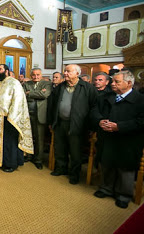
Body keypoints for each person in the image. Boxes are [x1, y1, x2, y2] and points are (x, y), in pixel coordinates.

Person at [91, 70, 144, 209]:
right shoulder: (106, 96)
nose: (113, 84)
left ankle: (123, 195)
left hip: (128, 140)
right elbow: (94, 111)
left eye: (117, 82)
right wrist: (100, 121)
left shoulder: (140, 99)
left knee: (125, 168)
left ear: (129, 83)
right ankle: (105, 188)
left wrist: (119, 126)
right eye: (113, 81)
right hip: (107, 137)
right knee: (107, 163)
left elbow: (141, 121)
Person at [48, 64, 97, 184]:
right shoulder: (60, 87)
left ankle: (74, 174)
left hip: (77, 125)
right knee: (60, 147)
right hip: (60, 123)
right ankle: (61, 168)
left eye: (68, 71)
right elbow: (52, 105)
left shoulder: (87, 88)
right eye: (65, 71)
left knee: (75, 151)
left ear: (77, 73)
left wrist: (91, 127)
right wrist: (51, 121)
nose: (65, 73)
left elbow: (93, 107)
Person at [0, 64, 33, 172]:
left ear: (6, 71)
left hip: (8, 117)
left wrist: (12, 116)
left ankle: (10, 164)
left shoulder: (14, 82)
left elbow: (18, 100)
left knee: (8, 142)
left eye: (0, 69)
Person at [23, 68, 52, 169]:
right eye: (34, 75)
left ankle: (38, 159)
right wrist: (38, 93)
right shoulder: (26, 84)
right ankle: (28, 156)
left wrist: (29, 93)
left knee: (39, 138)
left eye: (38, 75)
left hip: (40, 115)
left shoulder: (47, 84)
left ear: (41, 75)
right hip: (28, 114)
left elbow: (44, 94)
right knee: (28, 136)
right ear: (31, 75)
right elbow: (23, 96)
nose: (36, 77)